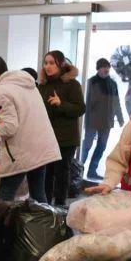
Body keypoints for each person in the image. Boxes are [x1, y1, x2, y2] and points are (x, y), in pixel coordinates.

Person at [0, 55, 60, 203]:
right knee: (39, 196)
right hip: (40, 148)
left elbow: (9, 127)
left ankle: (3, 221)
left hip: (21, 152)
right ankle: (45, 219)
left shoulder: (1, 92)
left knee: (5, 197)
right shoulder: (28, 86)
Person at [39, 51, 85, 206]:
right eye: (46, 63)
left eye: (52, 63)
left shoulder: (72, 84)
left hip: (66, 139)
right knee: (46, 173)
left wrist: (61, 104)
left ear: (61, 64)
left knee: (61, 173)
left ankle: (60, 206)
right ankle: (45, 206)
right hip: (46, 137)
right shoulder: (43, 85)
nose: (48, 66)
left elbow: (80, 109)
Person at [82, 58, 124, 180]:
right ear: (98, 68)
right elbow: (86, 102)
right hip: (92, 120)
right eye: (103, 67)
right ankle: (78, 169)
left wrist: (120, 117)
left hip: (107, 121)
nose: (106, 69)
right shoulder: (91, 82)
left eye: (108, 67)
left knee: (101, 146)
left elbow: (116, 102)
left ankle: (92, 171)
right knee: (87, 145)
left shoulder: (112, 84)